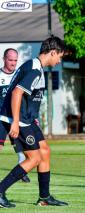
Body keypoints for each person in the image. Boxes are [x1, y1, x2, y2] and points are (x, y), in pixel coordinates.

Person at [0, 36, 68, 208]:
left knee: (45, 151)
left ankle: (44, 197)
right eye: (60, 56)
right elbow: (16, 93)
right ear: (53, 52)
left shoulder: (35, 66)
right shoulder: (34, 70)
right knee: (34, 158)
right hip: (19, 120)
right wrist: (15, 122)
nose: (60, 60)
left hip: (28, 119)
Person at [0, 48, 31, 183]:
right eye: (10, 60)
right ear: (4, 59)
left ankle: (21, 171)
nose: (13, 63)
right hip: (1, 118)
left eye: (15, 60)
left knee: (25, 149)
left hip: (16, 118)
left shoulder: (19, 76)